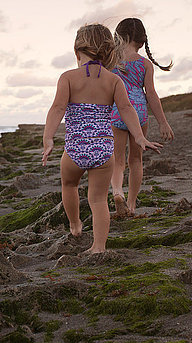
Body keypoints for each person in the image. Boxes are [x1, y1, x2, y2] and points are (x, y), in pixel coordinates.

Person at [42, 24, 162, 254]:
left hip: (75, 149)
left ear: (77, 52)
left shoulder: (67, 78)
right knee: (98, 200)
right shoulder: (113, 80)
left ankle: (75, 225)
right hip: (102, 151)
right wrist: (139, 136)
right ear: (109, 53)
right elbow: (126, 109)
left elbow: (57, 108)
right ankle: (99, 246)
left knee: (69, 185)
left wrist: (48, 139)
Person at [110, 18, 175, 217]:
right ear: (141, 41)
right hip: (138, 112)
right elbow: (152, 95)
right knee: (136, 160)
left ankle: (118, 192)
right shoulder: (145, 64)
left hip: (116, 110)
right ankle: (131, 205)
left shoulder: (111, 60)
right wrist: (163, 122)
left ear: (119, 37)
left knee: (117, 160)